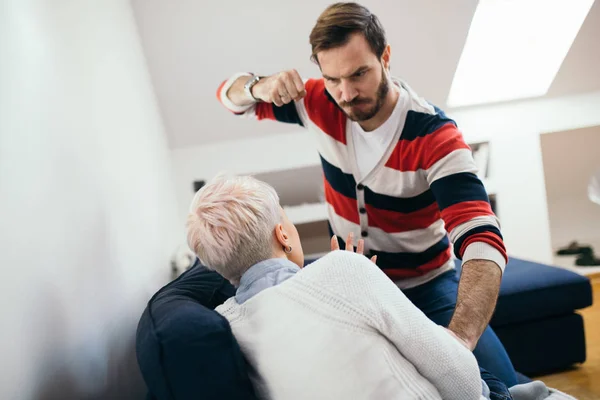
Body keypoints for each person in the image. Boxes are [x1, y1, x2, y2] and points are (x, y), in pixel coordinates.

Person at [216, 1, 517, 388]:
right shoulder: (317, 103)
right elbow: (229, 97)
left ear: (385, 57)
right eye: (332, 78)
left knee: (501, 386)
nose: (346, 93)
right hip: (348, 283)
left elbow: (483, 240)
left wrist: (458, 340)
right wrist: (260, 85)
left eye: (359, 73)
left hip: (427, 284)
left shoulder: (436, 137)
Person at [186, 174, 485, 400]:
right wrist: (354, 273)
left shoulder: (224, 327)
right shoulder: (342, 270)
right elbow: (461, 379)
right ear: (283, 235)